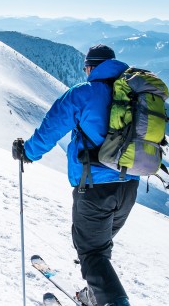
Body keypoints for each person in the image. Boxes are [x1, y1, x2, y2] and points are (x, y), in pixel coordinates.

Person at [12, 44, 138, 306]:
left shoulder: (83, 94)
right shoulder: (134, 93)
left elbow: (52, 127)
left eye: (86, 68)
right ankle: (95, 295)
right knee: (99, 248)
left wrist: (28, 153)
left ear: (91, 67)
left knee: (92, 251)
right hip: (129, 187)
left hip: (95, 188)